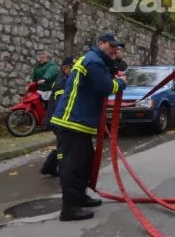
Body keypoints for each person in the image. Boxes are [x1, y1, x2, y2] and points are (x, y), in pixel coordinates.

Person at [50, 34, 127, 221]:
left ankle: (80, 197)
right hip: (71, 121)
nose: (113, 50)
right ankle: (69, 208)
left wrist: (114, 66)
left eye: (116, 47)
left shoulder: (97, 61)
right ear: (100, 43)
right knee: (72, 165)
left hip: (81, 122)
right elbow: (105, 87)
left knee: (86, 162)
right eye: (111, 46)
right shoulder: (93, 61)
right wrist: (121, 82)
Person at [40, 56, 75, 177]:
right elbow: (61, 104)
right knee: (63, 146)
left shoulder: (65, 80)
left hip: (58, 119)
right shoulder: (62, 83)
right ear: (65, 69)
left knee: (64, 145)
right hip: (58, 120)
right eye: (73, 68)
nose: (75, 71)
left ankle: (50, 167)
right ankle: (57, 168)